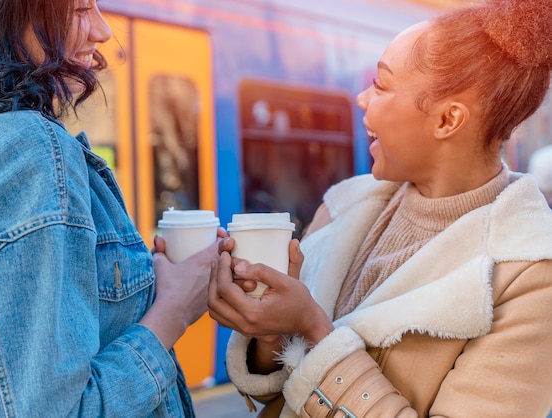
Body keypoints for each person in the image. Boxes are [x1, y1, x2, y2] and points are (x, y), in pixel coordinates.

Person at [208, 0, 552, 416]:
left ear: (447, 121)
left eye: (382, 85)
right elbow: (278, 392)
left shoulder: (531, 276)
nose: (361, 98)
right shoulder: (343, 206)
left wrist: (312, 328)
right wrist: (271, 331)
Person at [0, 0, 224, 416]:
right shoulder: (25, 150)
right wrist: (174, 310)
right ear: (6, 14)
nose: (103, 31)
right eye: (80, 9)